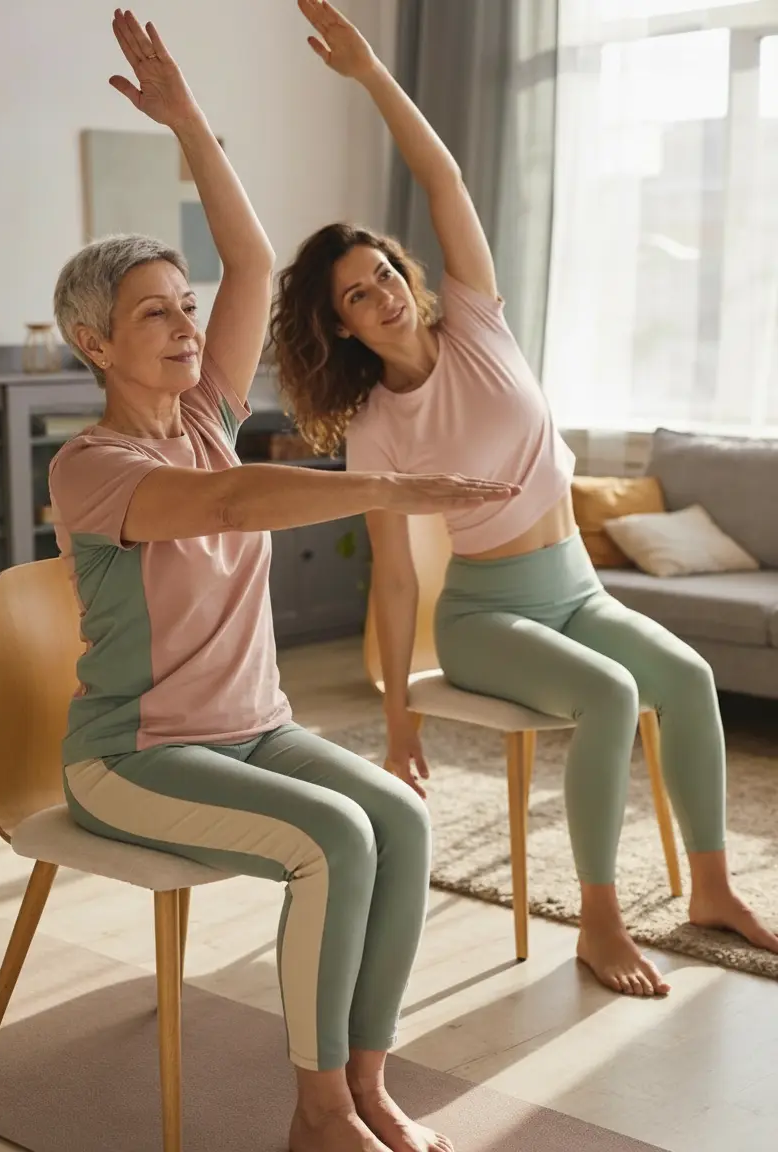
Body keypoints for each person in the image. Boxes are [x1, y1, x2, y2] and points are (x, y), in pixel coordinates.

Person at [49, 12, 519, 1152]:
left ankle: (362, 1085)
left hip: (253, 728)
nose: (182, 322)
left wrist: (189, 125)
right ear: (94, 345)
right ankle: (313, 1116)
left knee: (398, 818)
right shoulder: (92, 466)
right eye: (151, 312)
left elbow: (252, 259)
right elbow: (227, 504)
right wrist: (385, 492)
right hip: (135, 754)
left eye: (182, 304)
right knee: (334, 840)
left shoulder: (205, 416)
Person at [271, 0, 778, 1001]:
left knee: (681, 679)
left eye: (382, 273)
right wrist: (399, 719)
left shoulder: (474, 320)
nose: (381, 294)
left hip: (575, 590)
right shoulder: (374, 424)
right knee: (610, 695)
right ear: (341, 327)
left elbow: (443, 177)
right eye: (356, 296)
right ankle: (596, 921)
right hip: (488, 613)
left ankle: (712, 889)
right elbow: (393, 571)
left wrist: (373, 75)